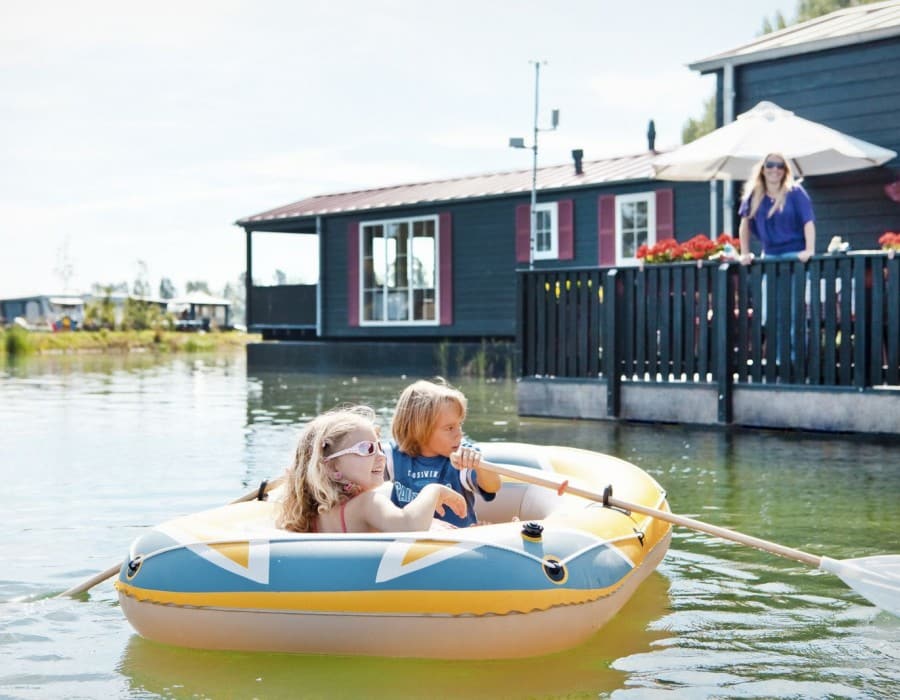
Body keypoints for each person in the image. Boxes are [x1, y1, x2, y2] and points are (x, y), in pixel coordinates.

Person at [277, 405, 466, 534]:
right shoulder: (368, 504)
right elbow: (409, 525)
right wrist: (433, 490)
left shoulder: (312, 516)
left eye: (379, 447)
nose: (381, 456)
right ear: (333, 467)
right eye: (367, 449)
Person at [386, 378, 502, 527]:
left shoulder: (462, 456)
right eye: (449, 428)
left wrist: (479, 466)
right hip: (407, 541)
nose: (459, 434)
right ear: (419, 429)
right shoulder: (396, 456)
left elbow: (493, 486)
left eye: (459, 425)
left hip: (453, 544)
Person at [738, 152, 816, 264]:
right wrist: (744, 253)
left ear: (785, 171)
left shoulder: (795, 192)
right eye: (770, 165)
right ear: (762, 169)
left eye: (780, 166)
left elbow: (808, 221)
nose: (775, 169)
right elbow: (745, 224)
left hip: (796, 255)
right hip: (769, 255)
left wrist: (809, 250)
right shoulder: (753, 195)